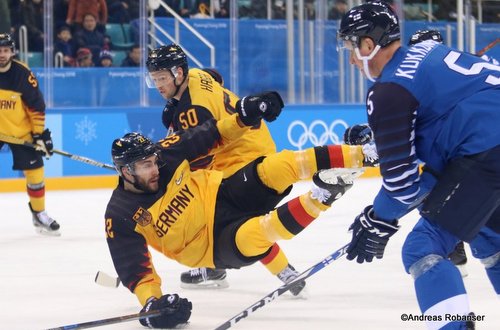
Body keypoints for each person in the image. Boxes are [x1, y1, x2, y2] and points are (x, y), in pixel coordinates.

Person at [105, 102, 377, 328]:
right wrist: (153, 304)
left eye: (153, 162)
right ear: (126, 171)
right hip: (211, 246)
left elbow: (209, 134)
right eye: (144, 166)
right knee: (260, 233)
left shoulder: (164, 155)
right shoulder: (119, 214)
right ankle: (325, 195)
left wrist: (244, 117)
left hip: (222, 195)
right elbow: (137, 272)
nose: (154, 169)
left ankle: (365, 154)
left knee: (278, 165)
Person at [337, 2, 500, 329]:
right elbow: (436, 168)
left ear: (369, 45)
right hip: (484, 148)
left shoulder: (389, 90)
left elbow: (403, 185)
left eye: (352, 49)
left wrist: (379, 218)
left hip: (489, 150)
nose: (353, 60)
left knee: (422, 248)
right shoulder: (428, 51)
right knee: (488, 234)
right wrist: (380, 217)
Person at [145, 44, 304, 294]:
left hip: (241, 157)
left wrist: (161, 171)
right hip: (252, 141)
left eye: (162, 78)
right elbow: (215, 77)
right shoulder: (196, 75)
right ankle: (219, 267)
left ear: (178, 73)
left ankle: (284, 272)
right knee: (224, 218)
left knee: (230, 219)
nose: (157, 86)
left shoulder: (192, 112)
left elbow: (196, 154)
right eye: (153, 79)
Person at [0, 33, 60, 236]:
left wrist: (38, 135)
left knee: (35, 174)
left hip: (20, 131)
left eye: (6, 50)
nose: (2, 54)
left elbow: (36, 107)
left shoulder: (22, 74)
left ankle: (39, 213)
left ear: (12, 52)